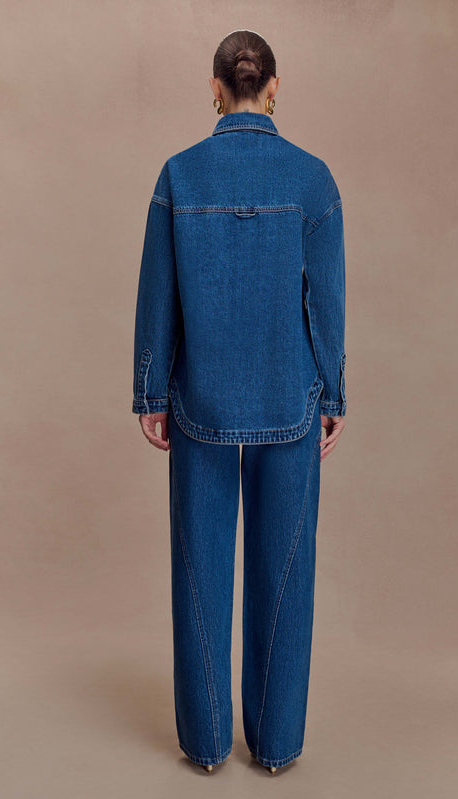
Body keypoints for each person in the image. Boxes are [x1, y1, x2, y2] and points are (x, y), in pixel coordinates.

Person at [132, 29, 347, 774]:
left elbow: (157, 292)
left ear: (216, 88)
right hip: (291, 395)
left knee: (198, 571)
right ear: (274, 87)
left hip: (200, 398)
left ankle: (204, 745)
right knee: (285, 576)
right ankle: (277, 746)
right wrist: (333, 391)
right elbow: (325, 301)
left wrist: (151, 389)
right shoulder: (312, 180)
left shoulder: (179, 175)